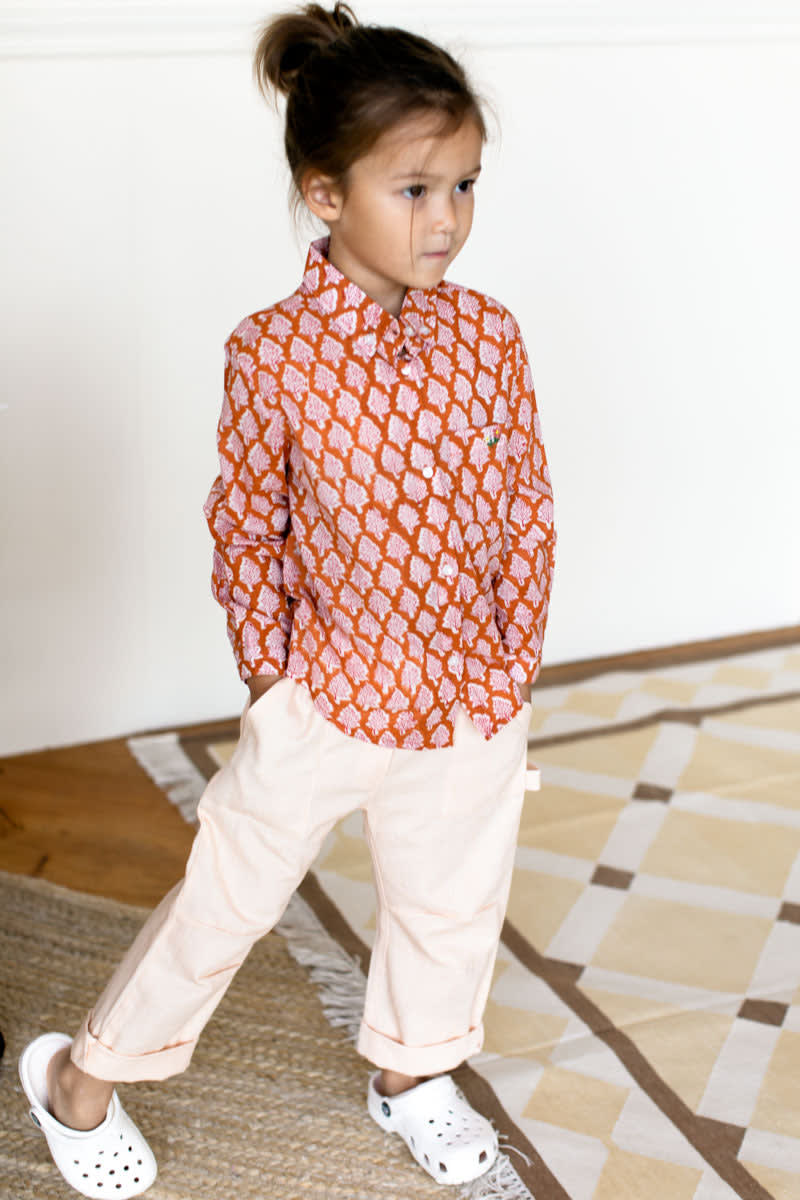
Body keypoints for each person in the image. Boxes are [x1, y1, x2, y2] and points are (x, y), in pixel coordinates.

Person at [19, 3, 556, 1194]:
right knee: (225, 898)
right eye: (413, 190)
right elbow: (246, 521)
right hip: (325, 687)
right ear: (325, 194)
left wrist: (509, 657)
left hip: (466, 695)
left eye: (464, 187)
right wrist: (271, 673)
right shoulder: (270, 353)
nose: (446, 218)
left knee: (447, 908)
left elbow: (525, 503)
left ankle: (412, 1077)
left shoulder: (490, 338)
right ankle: (81, 1079)